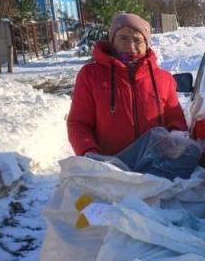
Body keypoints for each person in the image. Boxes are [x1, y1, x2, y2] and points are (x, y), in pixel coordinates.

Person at [67, 12, 188, 157]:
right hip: (109, 168)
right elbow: (79, 123)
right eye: (123, 38)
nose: (130, 46)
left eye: (137, 40)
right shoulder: (90, 76)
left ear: (147, 44)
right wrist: (88, 151)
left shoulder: (164, 79)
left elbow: (175, 118)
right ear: (112, 40)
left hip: (154, 168)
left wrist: (176, 138)